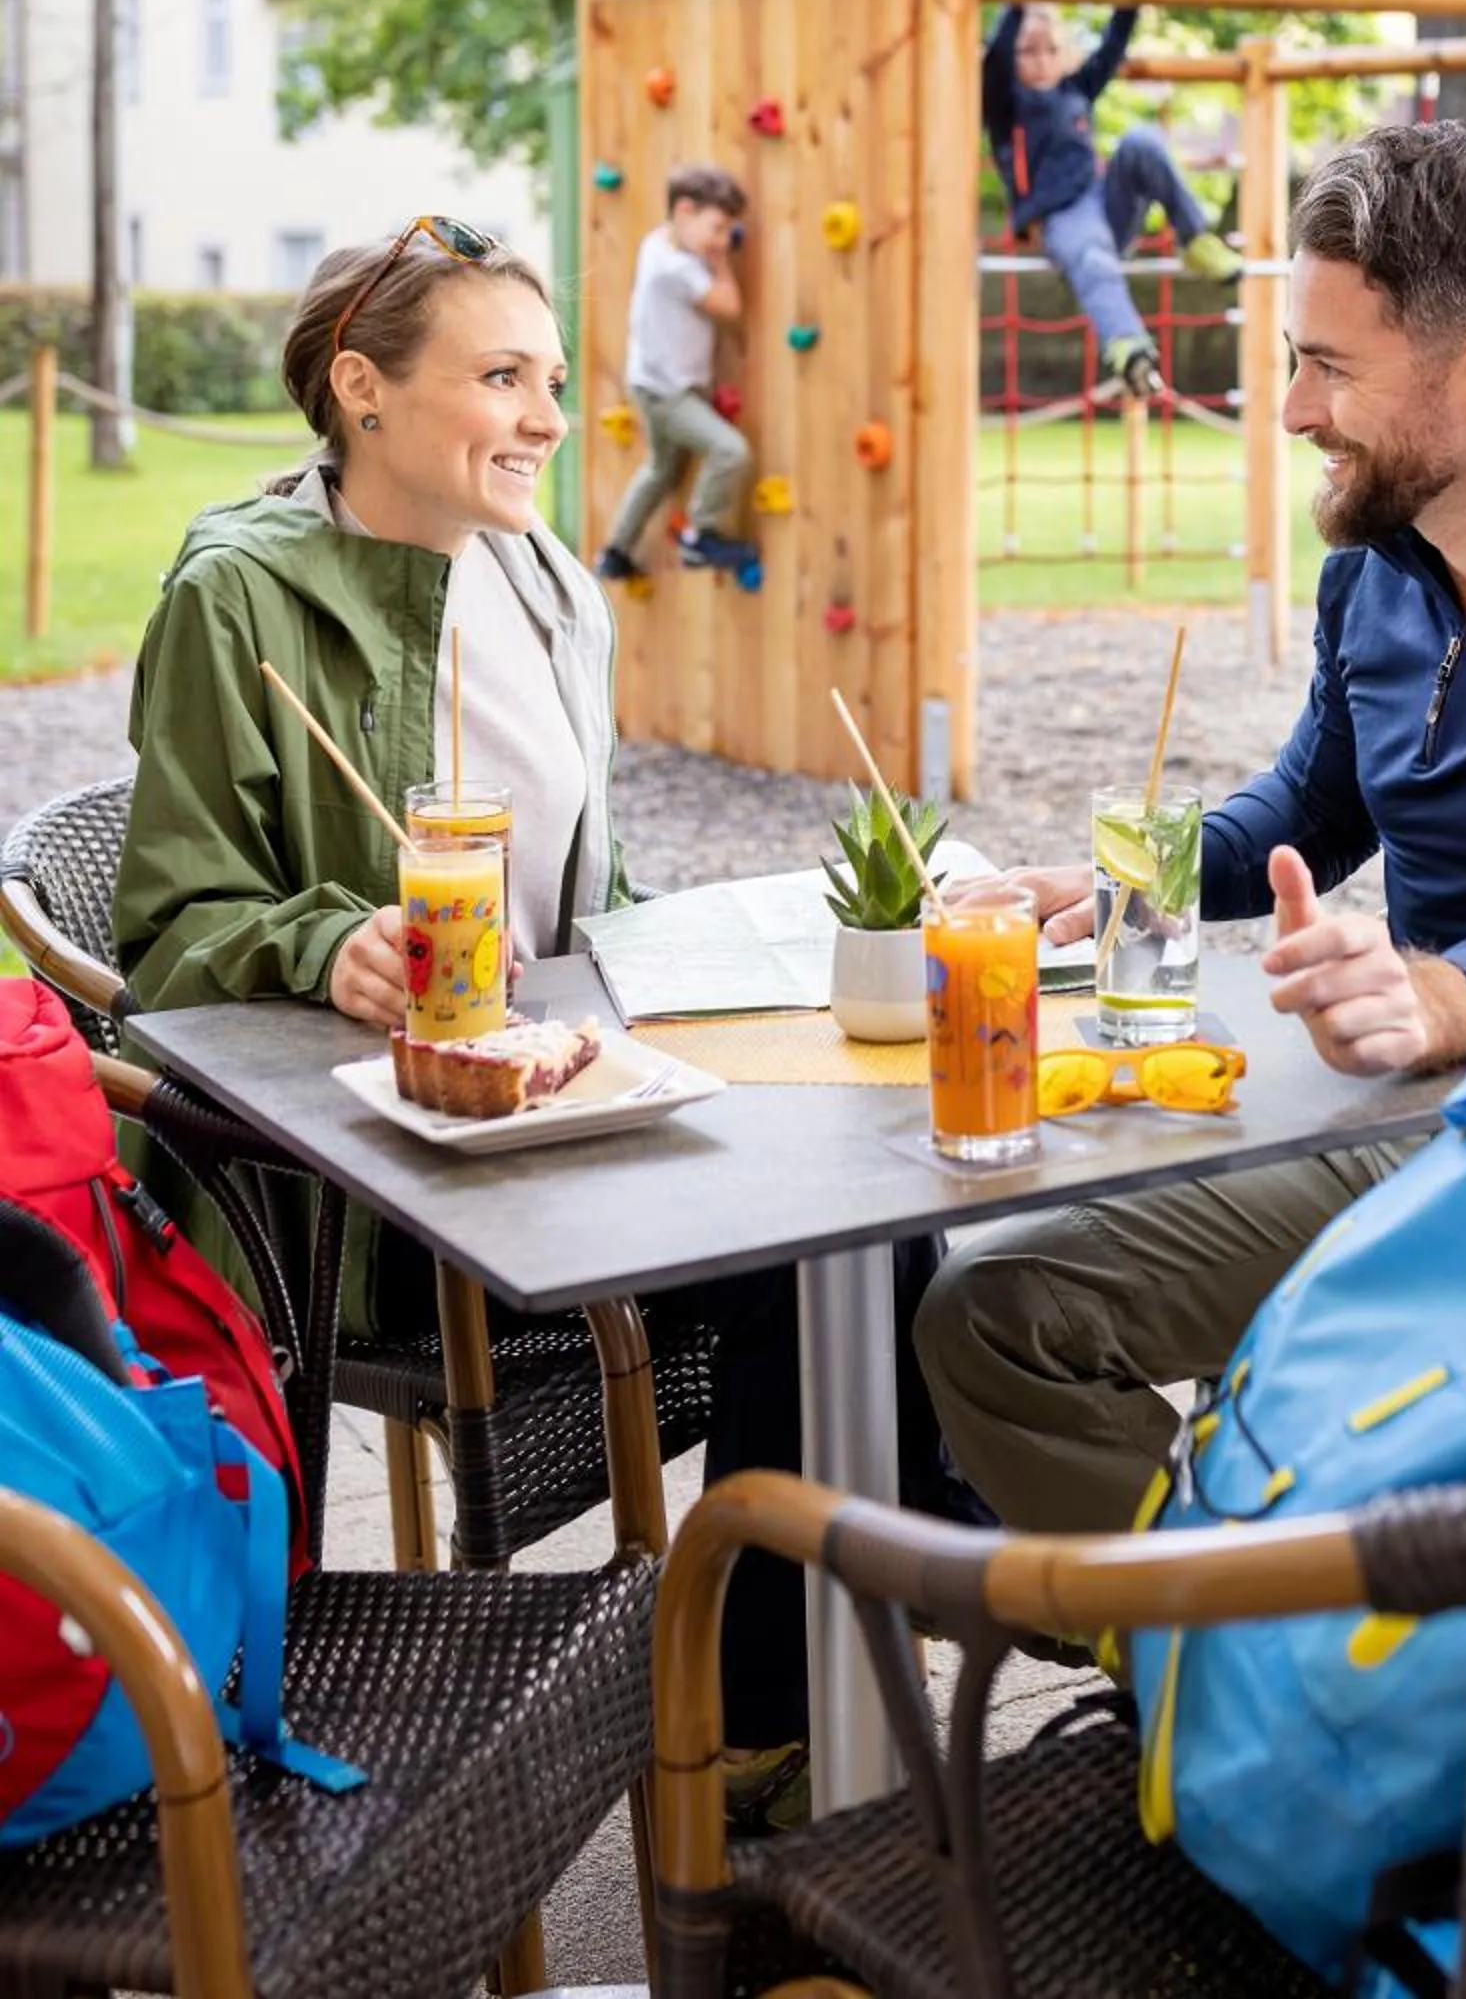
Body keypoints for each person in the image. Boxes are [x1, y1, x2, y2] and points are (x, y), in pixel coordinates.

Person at [113, 213, 958, 1824]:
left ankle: (768, 1726)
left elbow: (596, 896)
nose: (553, 421)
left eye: (555, 380)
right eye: (503, 378)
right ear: (360, 389)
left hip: (579, 1106)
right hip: (383, 1175)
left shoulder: (558, 588)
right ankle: (826, 1678)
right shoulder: (240, 599)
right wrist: (324, 943)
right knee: (826, 1259)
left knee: (875, 1221)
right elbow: (169, 934)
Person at [917, 113, 1466, 1532]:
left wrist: (1437, 995)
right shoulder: (1376, 582)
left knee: (1000, 1306)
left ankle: (1237, 1659)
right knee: (953, 1239)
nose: (1288, 411)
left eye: (1327, 367)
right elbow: (1307, 812)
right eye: (1291, 362)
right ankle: (1254, 1629)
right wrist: (1107, 883)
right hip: (1401, 1085)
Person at [983, 0, 1243, 399]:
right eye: (1028, 51)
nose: (1042, 61)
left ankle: (1195, 238)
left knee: (1141, 141)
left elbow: (1113, 44)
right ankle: (1128, 348)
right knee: (1093, 257)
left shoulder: (1076, 89)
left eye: (1051, 50)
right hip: (1060, 219)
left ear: (1064, 53)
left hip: (1106, 205)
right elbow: (994, 59)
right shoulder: (1003, 104)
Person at [595, 162, 755, 581]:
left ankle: (615, 550)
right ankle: (701, 536)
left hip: (651, 381)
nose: (720, 240)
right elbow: (730, 308)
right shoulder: (678, 269)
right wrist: (722, 263)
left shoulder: (658, 244)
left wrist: (711, 244)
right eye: (716, 228)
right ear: (684, 212)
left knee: (661, 470)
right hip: (669, 394)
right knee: (730, 450)